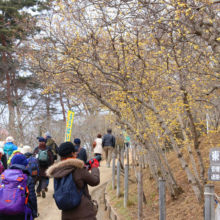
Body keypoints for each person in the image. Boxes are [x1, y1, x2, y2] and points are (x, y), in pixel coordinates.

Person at [46, 142, 100, 220]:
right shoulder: (78, 169)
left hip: (66, 213)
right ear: (72, 153)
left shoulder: (57, 172)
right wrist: (95, 167)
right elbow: (95, 181)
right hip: (84, 213)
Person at [0, 154, 38, 220]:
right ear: (25, 164)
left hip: (2, 211)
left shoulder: (3, 176)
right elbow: (32, 198)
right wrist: (34, 212)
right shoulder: (27, 177)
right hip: (21, 212)